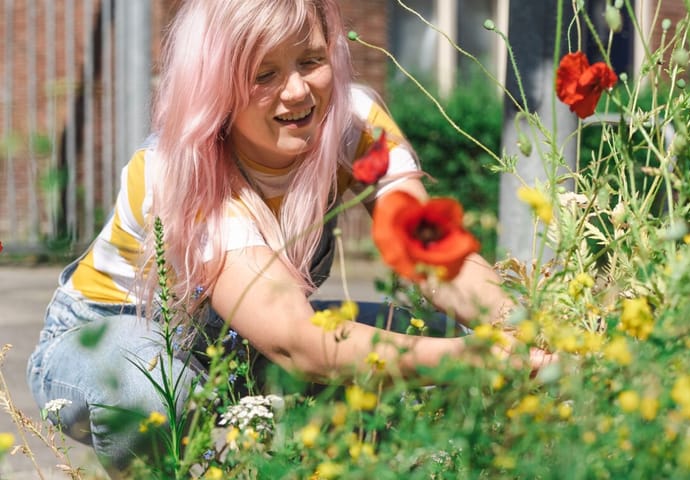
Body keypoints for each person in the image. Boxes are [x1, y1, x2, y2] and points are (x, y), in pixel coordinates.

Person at [27, 0, 556, 473]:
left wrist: (521, 328)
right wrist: (476, 359)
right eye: (264, 74)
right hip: (116, 337)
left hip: (245, 342)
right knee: (150, 395)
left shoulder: (354, 123)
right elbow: (297, 341)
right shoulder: (178, 170)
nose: (298, 91)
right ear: (216, 87)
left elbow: (430, 252)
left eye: (310, 60)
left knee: (434, 335)